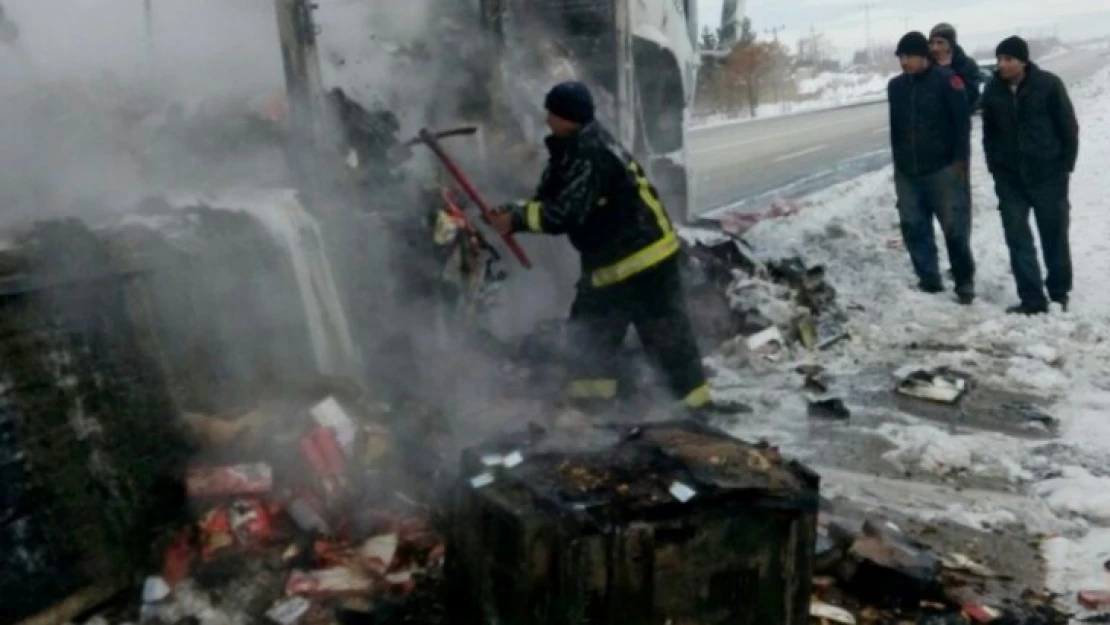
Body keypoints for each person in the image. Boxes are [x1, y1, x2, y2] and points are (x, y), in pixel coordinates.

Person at [485, 81, 712, 414]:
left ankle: (697, 414)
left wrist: (516, 220)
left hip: (642, 261)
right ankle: (592, 415)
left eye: (552, 111)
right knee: (590, 338)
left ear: (567, 116)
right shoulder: (575, 147)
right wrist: (512, 211)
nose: (546, 118)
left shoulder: (587, 155)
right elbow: (552, 200)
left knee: (665, 338)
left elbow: (566, 212)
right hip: (614, 263)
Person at [980, 36, 1079, 315]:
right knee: (1017, 236)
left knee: (1054, 234)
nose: (1002, 65)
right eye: (999, 60)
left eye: (1008, 59)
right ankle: (1031, 297)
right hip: (1010, 179)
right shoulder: (993, 91)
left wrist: (1064, 167)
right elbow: (989, 134)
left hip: (1048, 175)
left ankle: (1059, 293)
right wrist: (995, 168)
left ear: (1023, 61)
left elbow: (1067, 126)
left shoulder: (1048, 85)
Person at [887, 32, 975, 304]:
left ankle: (964, 281)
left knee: (953, 226)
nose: (904, 63)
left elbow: (962, 123)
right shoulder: (896, 87)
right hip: (908, 170)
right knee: (913, 225)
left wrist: (960, 161)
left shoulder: (947, 81)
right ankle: (929, 279)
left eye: (908, 57)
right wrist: (899, 164)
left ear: (923, 56)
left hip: (944, 168)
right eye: (900, 58)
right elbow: (895, 128)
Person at [928, 23, 982, 111]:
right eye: (932, 43)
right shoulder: (928, 66)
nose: (935, 48)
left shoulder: (966, 65)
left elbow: (971, 95)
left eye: (940, 43)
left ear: (951, 43)